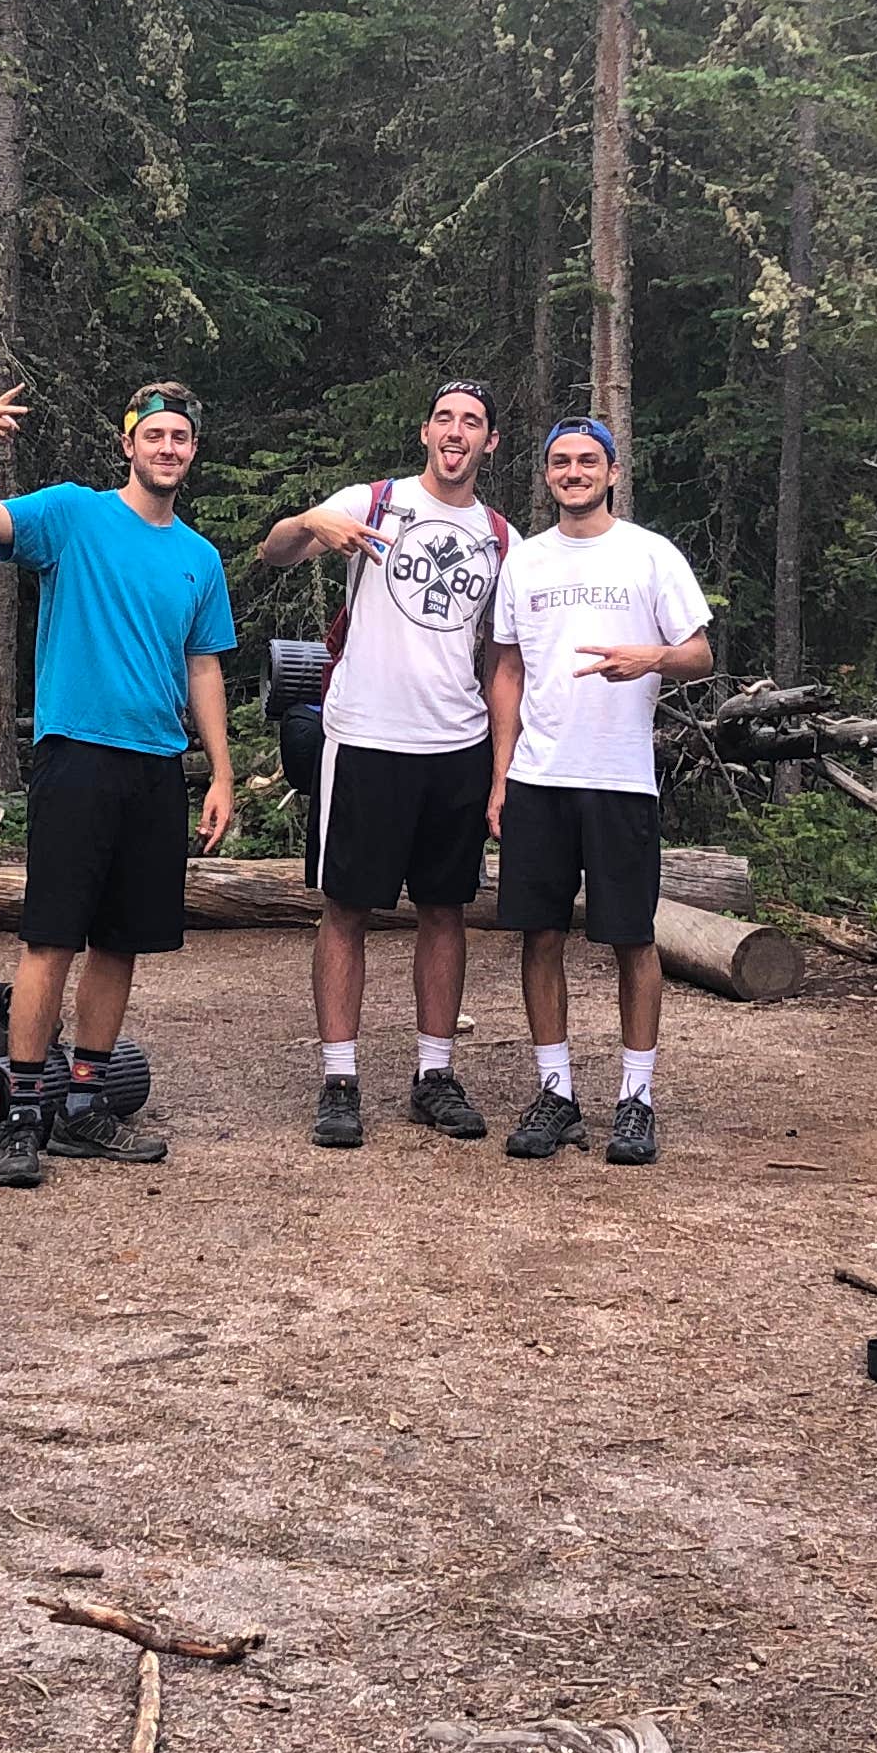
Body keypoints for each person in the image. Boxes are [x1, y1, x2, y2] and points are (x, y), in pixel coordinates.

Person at [0, 379, 238, 1188]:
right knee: (51, 937)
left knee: (121, 940)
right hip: (76, 752)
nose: (168, 449)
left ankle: (85, 1105)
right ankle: (20, 1112)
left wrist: (219, 772)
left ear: (191, 451)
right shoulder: (75, 514)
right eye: (155, 436)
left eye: (181, 438)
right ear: (129, 444)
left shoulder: (198, 557)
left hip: (156, 764)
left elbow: (204, 664)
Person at [251, 380, 515, 1149]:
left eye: (472, 421)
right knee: (348, 907)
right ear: (426, 431)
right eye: (444, 419)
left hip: (456, 743)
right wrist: (312, 523)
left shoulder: (502, 536)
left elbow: (504, 659)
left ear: (489, 443)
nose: (456, 432)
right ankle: (339, 1080)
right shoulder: (372, 500)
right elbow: (275, 551)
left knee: (445, 908)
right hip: (365, 735)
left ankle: (435, 1075)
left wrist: (501, 770)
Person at [484, 416, 712, 1167]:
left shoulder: (651, 555)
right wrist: (500, 772)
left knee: (631, 938)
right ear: (546, 474)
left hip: (619, 780)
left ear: (612, 472)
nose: (573, 472)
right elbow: (509, 669)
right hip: (538, 778)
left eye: (588, 461)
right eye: (560, 462)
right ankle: (556, 1093)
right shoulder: (525, 561)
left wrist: (652, 656)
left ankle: (635, 1100)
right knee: (538, 934)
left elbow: (701, 655)